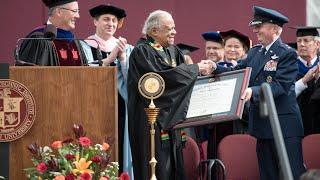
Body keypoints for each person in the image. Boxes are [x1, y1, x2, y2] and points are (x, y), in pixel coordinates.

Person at [209, 6, 306, 179]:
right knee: (267, 175)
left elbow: (280, 86)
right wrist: (214, 67)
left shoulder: (287, 54)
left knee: (290, 174)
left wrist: (252, 91)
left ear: (275, 29)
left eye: (259, 26)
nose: (255, 30)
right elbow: (237, 72)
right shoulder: (255, 53)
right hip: (262, 127)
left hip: (284, 127)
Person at [127, 10, 212, 180]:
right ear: (154, 32)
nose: (174, 32)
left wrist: (199, 74)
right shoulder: (142, 52)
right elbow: (165, 78)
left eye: (174, 28)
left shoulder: (173, 51)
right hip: (151, 121)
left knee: (174, 166)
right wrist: (196, 69)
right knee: (156, 167)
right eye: (169, 29)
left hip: (171, 120)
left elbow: (182, 80)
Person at [84, 4, 134, 178]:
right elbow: (82, 77)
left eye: (114, 20)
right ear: (95, 21)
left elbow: (133, 82)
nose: (111, 23)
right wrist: (110, 59)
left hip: (120, 107)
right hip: (94, 106)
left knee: (119, 147)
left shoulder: (127, 49)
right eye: (106, 19)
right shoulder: (84, 46)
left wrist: (122, 59)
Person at [18, 0, 88, 66]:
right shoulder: (39, 39)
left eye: (78, 11)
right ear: (59, 12)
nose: (78, 16)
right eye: (74, 11)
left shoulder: (74, 41)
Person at [294, 26, 320, 135]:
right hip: (296, 125)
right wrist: (304, 81)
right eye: (299, 41)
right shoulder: (289, 67)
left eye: (306, 40)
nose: (302, 44)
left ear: (317, 44)